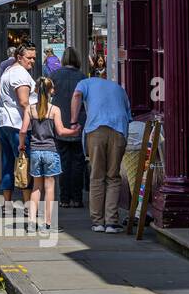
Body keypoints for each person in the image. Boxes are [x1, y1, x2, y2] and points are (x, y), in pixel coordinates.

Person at [71, 72, 133, 233]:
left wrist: (73, 121)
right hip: (119, 130)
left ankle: (98, 222)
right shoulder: (119, 88)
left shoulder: (84, 83)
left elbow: (77, 95)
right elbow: (128, 115)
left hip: (96, 129)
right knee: (113, 176)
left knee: (97, 176)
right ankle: (112, 222)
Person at [21, 76, 81, 232]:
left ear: (36, 90)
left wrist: (21, 144)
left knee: (36, 187)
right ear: (50, 91)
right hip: (50, 151)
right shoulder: (54, 110)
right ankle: (49, 223)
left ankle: (32, 222)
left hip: (35, 151)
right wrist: (74, 131)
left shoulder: (30, 109)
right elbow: (61, 131)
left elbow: (23, 130)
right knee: (50, 188)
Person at [0, 44, 37, 216]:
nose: (32, 61)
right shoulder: (20, 74)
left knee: (7, 162)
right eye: (29, 58)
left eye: (34, 58)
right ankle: (28, 205)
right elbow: (24, 102)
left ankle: (7, 203)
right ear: (20, 57)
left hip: (4, 121)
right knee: (23, 163)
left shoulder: (9, 70)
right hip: (18, 124)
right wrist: (38, 118)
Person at [51, 48, 88, 207]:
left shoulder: (54, 76)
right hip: (79, 124)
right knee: (78, 162)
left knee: (64, 161)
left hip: (60, 124)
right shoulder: (82, 77)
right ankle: (77, 198)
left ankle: (64, 198)